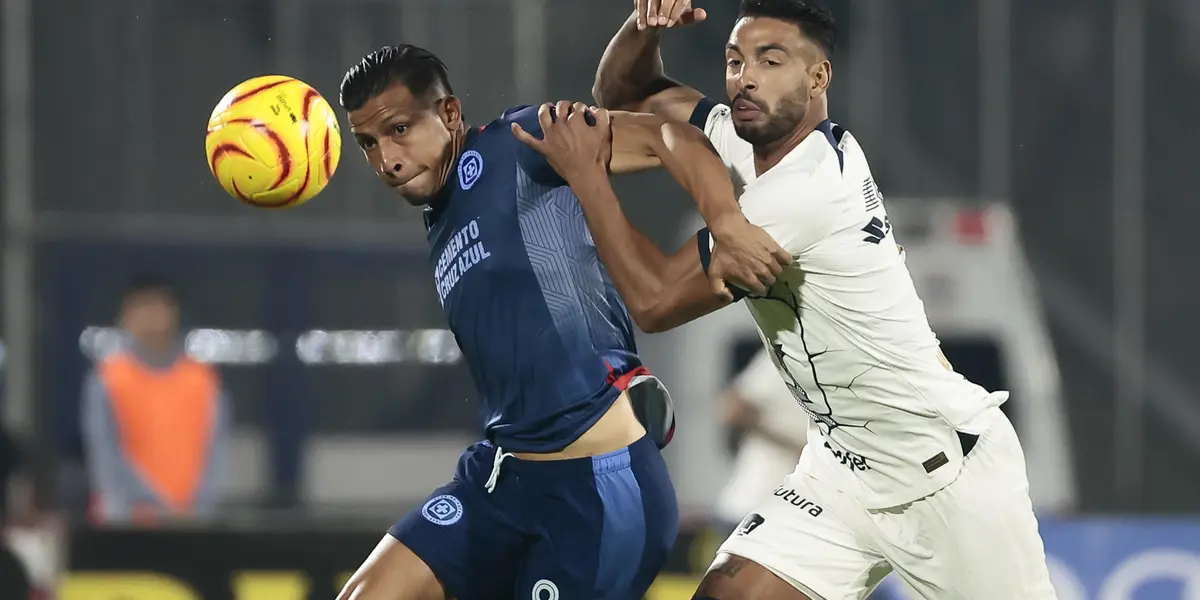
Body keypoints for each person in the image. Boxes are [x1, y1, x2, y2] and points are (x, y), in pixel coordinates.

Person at [509, 1, 1063, 598]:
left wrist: (589, 180)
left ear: (818, 77)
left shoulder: (806, 191)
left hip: (942, 479)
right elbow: (625, 91)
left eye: (770, 61)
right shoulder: (745, 139)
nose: (745, 78)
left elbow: (655, 301)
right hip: (840, 470)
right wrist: (644, 26)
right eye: (735, 61)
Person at [333, 44, 791, 600]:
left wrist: (726, 221)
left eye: (399, 130)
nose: (386, 159)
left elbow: (672, 137)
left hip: (598, 488)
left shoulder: (518, 141)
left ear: (450, 113)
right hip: (503, 478)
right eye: (369, 143)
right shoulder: (441, 215)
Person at [81, 275, 230, 525]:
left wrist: (199, 512)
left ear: (174, 312)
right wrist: (144, 507)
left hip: (192, 523)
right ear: (126, 316)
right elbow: (105, 457)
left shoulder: (202, 380)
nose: (151, 317)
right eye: (142, 307)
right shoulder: (108, 379)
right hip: (127, 522)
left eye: (158, 306)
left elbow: (215, 452)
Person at [713, 349, 807, 537]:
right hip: (755, 503)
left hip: (803, 512)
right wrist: (798, 447)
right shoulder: (790, 353)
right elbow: (732, 408)